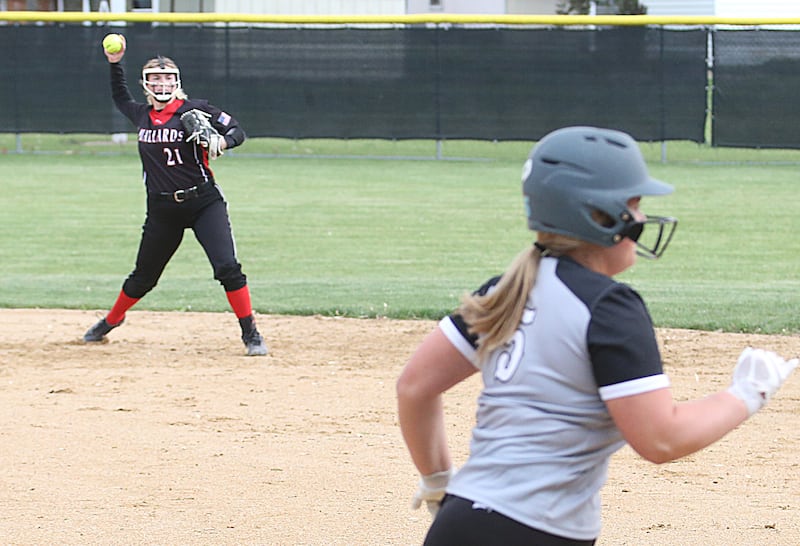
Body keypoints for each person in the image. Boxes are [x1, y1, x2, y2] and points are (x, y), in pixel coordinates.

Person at [396, 126, 797, 545]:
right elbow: (661, 438)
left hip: (457, 522)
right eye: (634, 204)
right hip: (535, 532)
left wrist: (438, 481)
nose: (641, 218)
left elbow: (414, 387)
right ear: (597, 214)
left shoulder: (503, 292)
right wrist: (748, 393)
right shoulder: (609, 308)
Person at [83, 35, 267, 356]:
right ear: (146, 84)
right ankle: (111, 320)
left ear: (177, 81)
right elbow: (119, 95)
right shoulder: (140, 114)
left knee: (227, 268)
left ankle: (250, 332)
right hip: (162, 209)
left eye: (168, 78)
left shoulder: (195, 109)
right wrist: (115, 65)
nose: (162, 83)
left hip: (203, 202)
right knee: (143, 278)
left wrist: (222, 143)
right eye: (155, 78)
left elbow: (237, 130)